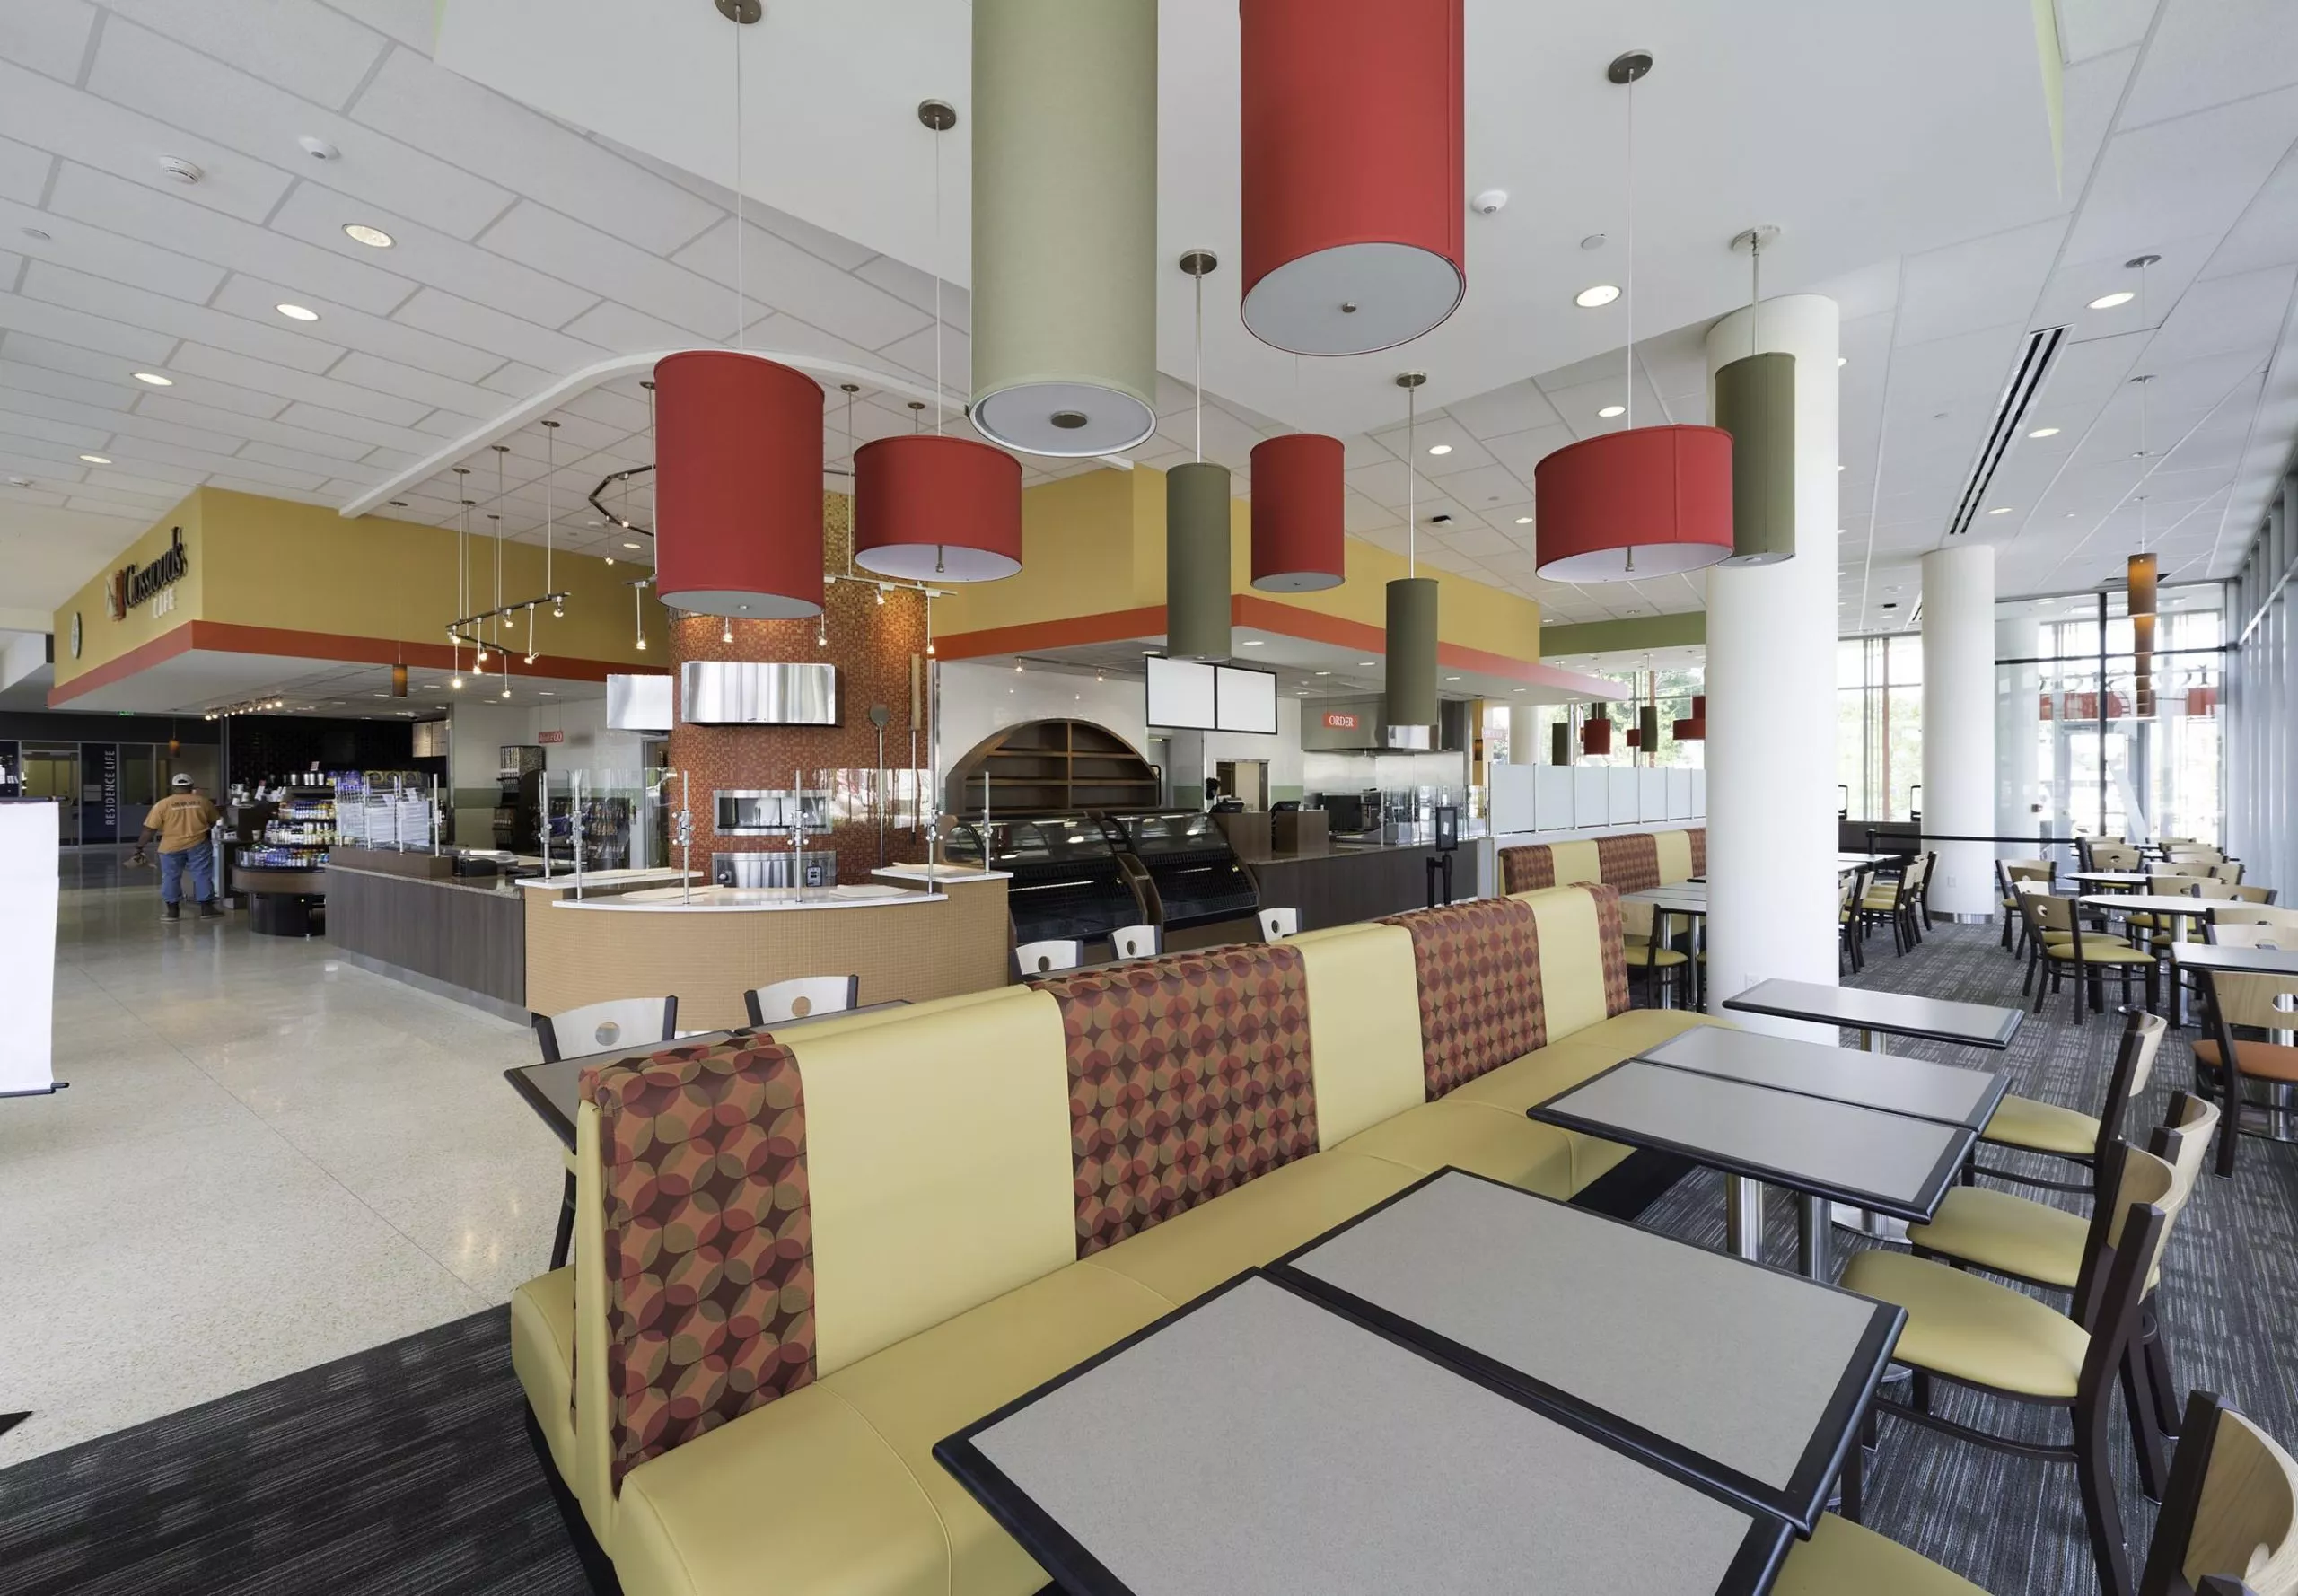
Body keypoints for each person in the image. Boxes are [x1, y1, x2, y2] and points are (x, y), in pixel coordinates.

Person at [136, 773, 222, 921]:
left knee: (171, 877)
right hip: (198, 844)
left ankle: (172, 912)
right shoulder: (203, 802)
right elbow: (214, 821)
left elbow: (149, 829)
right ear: (191, 786)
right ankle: (207, 910)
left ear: (174, 787)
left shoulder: (163, 804)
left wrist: (139, 846)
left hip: (170, 846)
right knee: (202, 875)